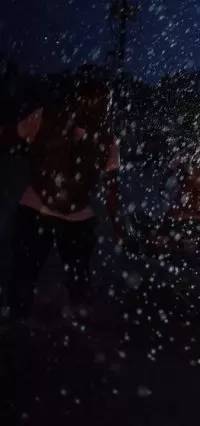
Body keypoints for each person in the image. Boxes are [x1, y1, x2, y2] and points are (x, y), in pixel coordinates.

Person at [3, 75, 122, 322]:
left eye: (106, 103)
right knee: (25, 271)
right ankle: (16, 323)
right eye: (98, 101)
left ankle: (76, 328)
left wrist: (118, 226)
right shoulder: (45, 117)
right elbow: (9, 135)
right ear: (79, 99)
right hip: (37, 206)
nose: (102, 108)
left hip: (77, 215)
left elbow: (112, 189)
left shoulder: (107, 141)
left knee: (78, 277)